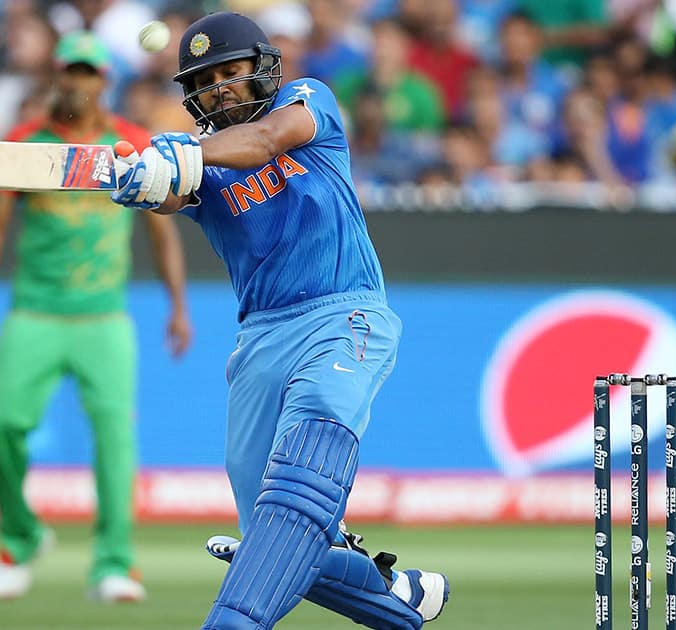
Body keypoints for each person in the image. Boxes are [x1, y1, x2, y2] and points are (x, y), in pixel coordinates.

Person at [108, 11, 450, 629]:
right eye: (204, 81)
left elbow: (263, 144)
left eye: (230, 73)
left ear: (262, 68)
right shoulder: (202, 168)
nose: (219, 89)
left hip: (343, 311)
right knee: (283, 537)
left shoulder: (306, 99)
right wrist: (142, 178)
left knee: (297, 490)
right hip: (260, 339)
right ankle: (399, 597)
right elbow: (173, 190)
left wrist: (179, 154)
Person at [0, 31, 193, 603]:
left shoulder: (132, 145)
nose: (79, 82)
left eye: (89, 72)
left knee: (115, 440)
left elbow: (161, 229)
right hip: (34, 310)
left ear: (104, 81)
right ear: (57, 77)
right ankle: (21, 536)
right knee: (3, 425)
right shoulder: (26, 143)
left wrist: (178, 305)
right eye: (70, 71)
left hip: (104, 318)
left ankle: (115, 564)